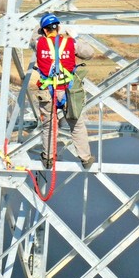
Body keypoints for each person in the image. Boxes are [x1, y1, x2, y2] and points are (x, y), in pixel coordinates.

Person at [32, 13, 96, 169]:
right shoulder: (71, 43)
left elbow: (34, 35)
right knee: (77, 125)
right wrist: (75, 37)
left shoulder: (39, 43)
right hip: (68, 93)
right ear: (58, 27)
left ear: (44, 30)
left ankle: (48, 159)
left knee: (49, 125)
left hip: (48, 92)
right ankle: (85, 158)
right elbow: (89, 53)